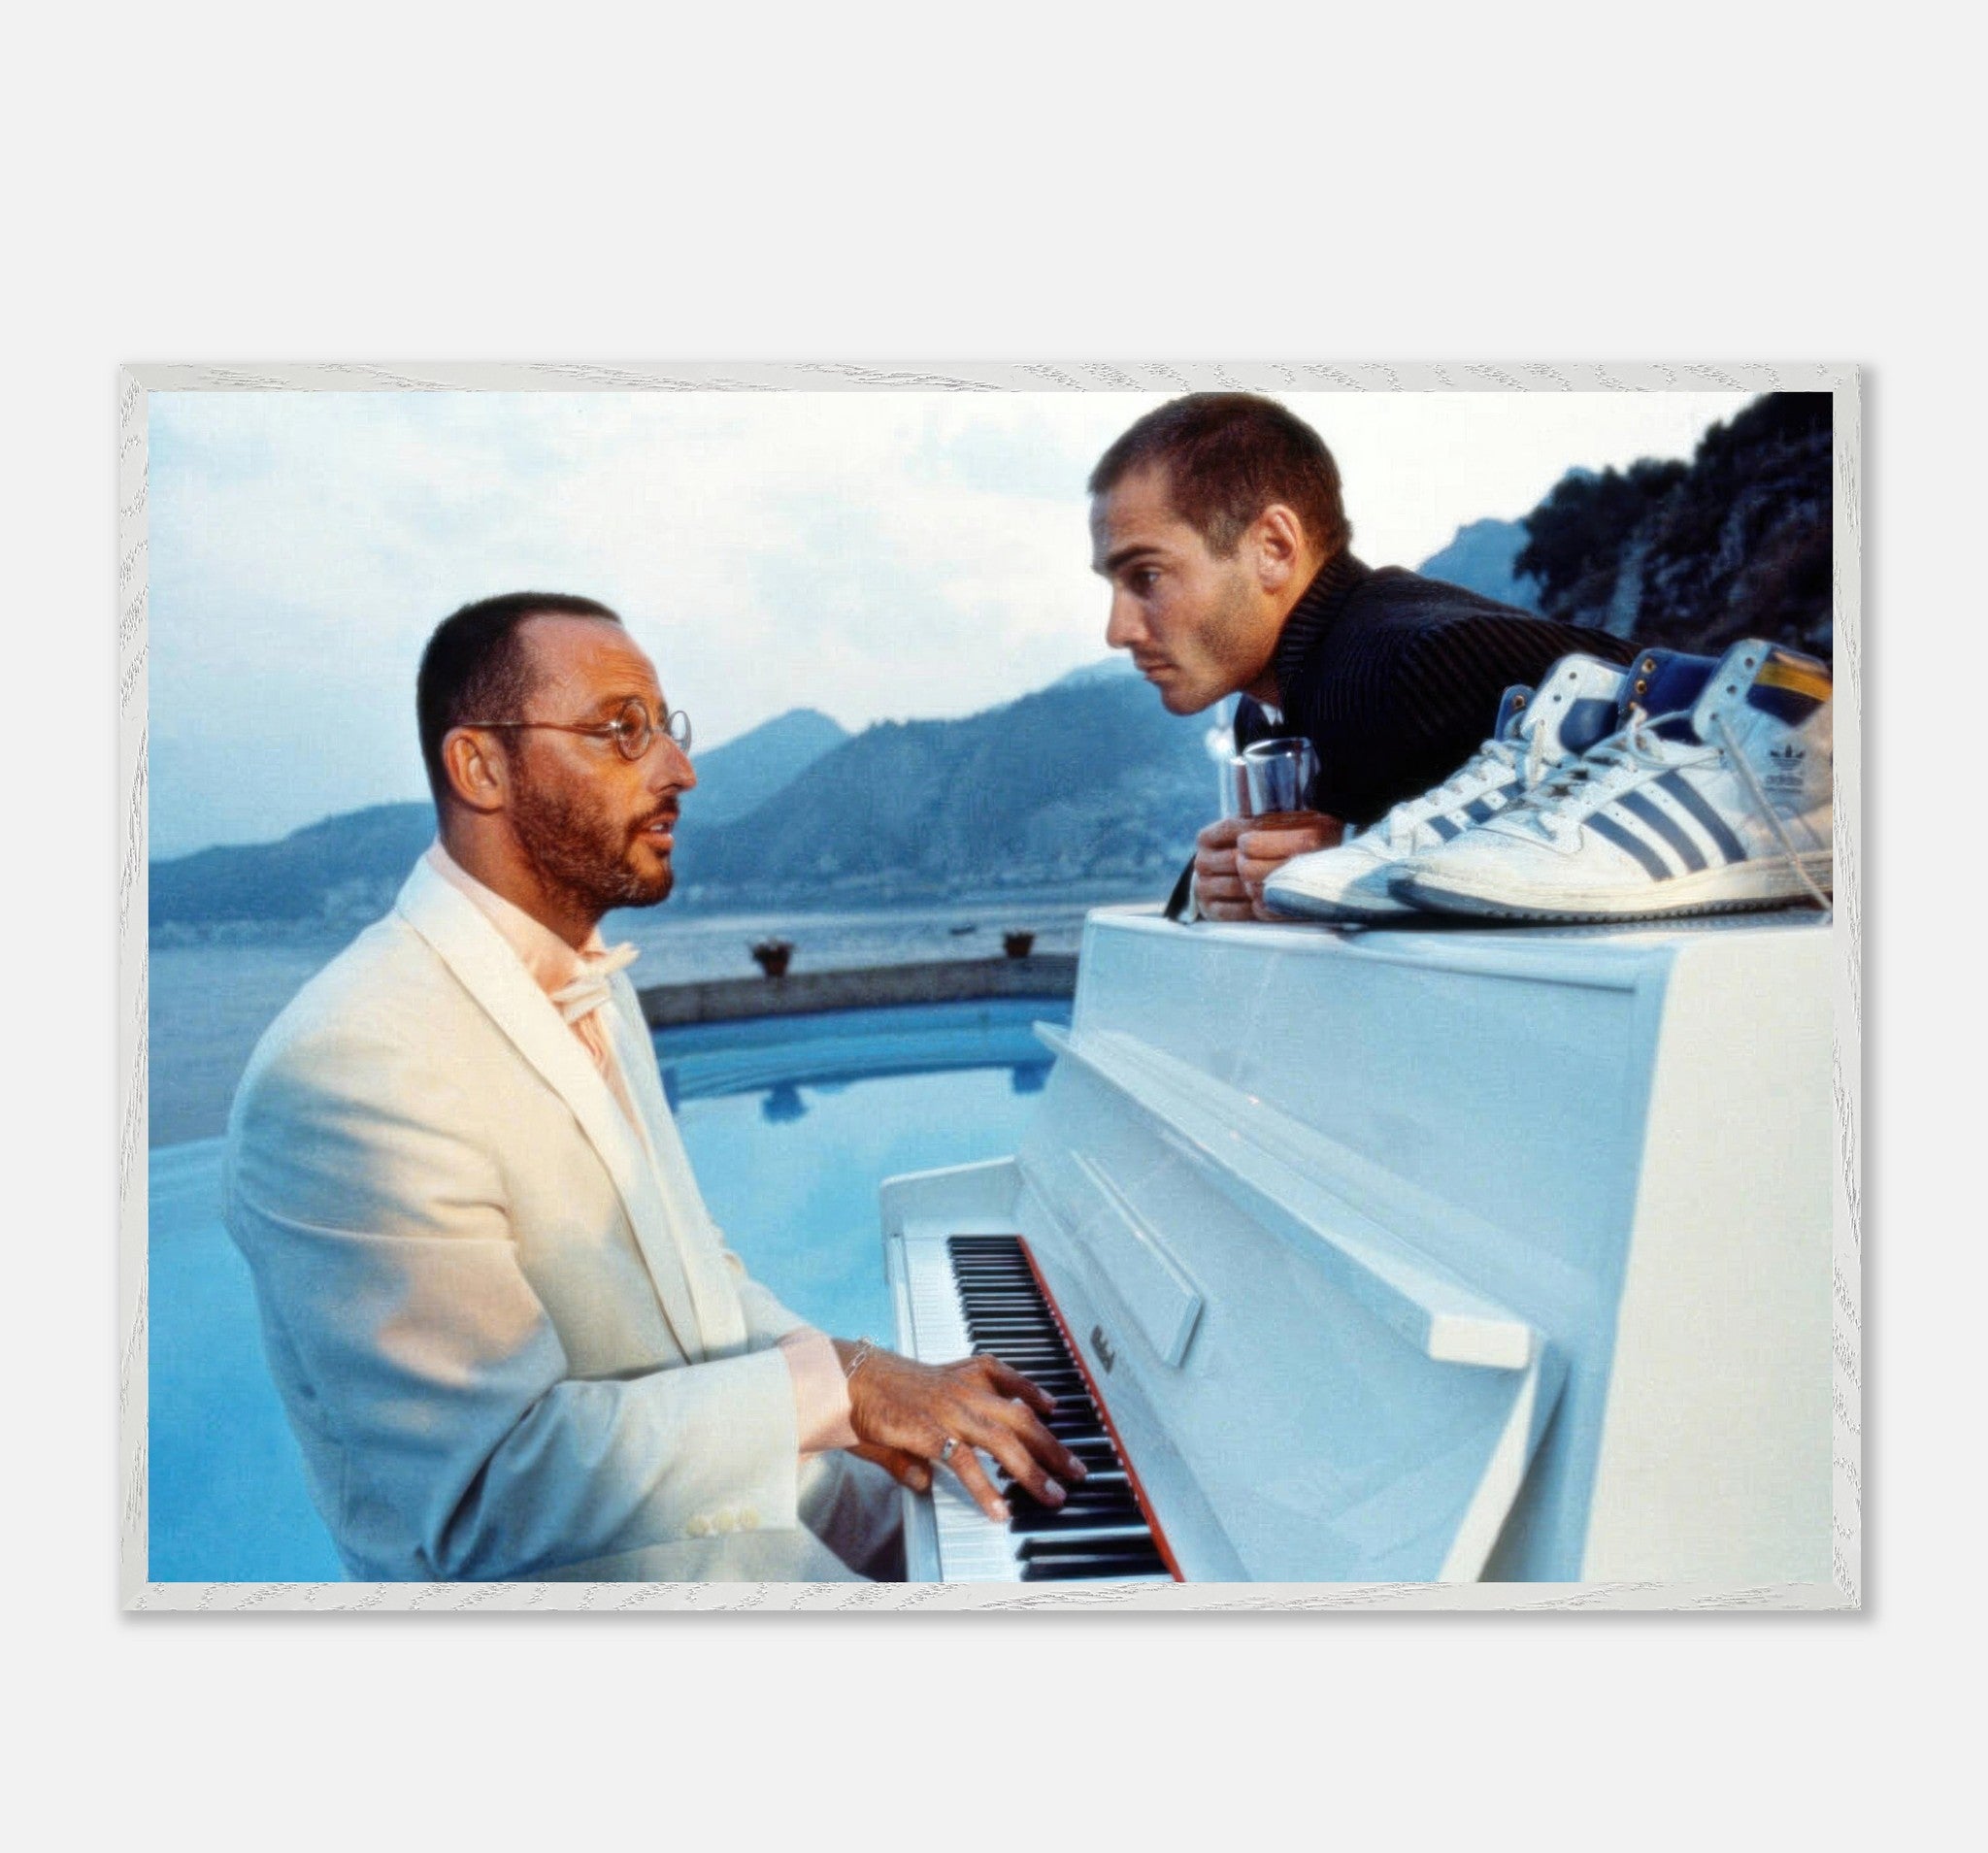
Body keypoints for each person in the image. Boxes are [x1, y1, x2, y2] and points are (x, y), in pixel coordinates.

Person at [224, 591, 1086, 1582]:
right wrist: (838, 1384)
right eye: (619, 730)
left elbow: (695, 1276)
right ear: (480, 767)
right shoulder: (347, 1069)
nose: (678, 769)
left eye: (664, 729)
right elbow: (490, 1492)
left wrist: (871, 1384)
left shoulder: (593, 981)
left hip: (740, 1503)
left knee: (1030, 1520)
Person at [1086, 394, 1640, 920]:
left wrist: (1355, 862)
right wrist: (1215, 889)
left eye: (1149, 576)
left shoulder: (1418, 664)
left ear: (1274, 548)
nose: (1118, 630)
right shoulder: (1262, 711)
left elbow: (1703, 736)